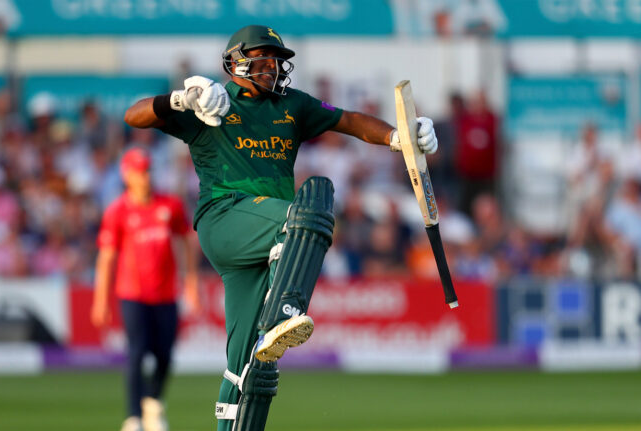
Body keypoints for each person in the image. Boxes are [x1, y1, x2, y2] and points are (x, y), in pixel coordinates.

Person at [123, 25, 439, 431]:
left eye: (277, 61)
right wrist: (181, 98)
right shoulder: (208, 103)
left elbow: (348, 120)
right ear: (236, 61)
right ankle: (286, 309)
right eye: (264, 59)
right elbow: (134, 116)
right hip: (224, 218)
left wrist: (398, 138)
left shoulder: (292, 105)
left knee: (248, 371)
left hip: (266, 237)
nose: (273, 67)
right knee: (310, 205)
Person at [91, 147, 200, 431]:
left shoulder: (170, 205)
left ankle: (152, 402)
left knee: (165, 355)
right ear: (127, 175)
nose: (145, 177)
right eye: (140, 172)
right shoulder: (117, 211)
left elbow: (187, 240)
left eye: (148, 170)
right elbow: (106, 257)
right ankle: (133, 417)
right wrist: (100, 300)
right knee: (137, 354)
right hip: (133, 294)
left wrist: (191, 282)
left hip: (166, 294)